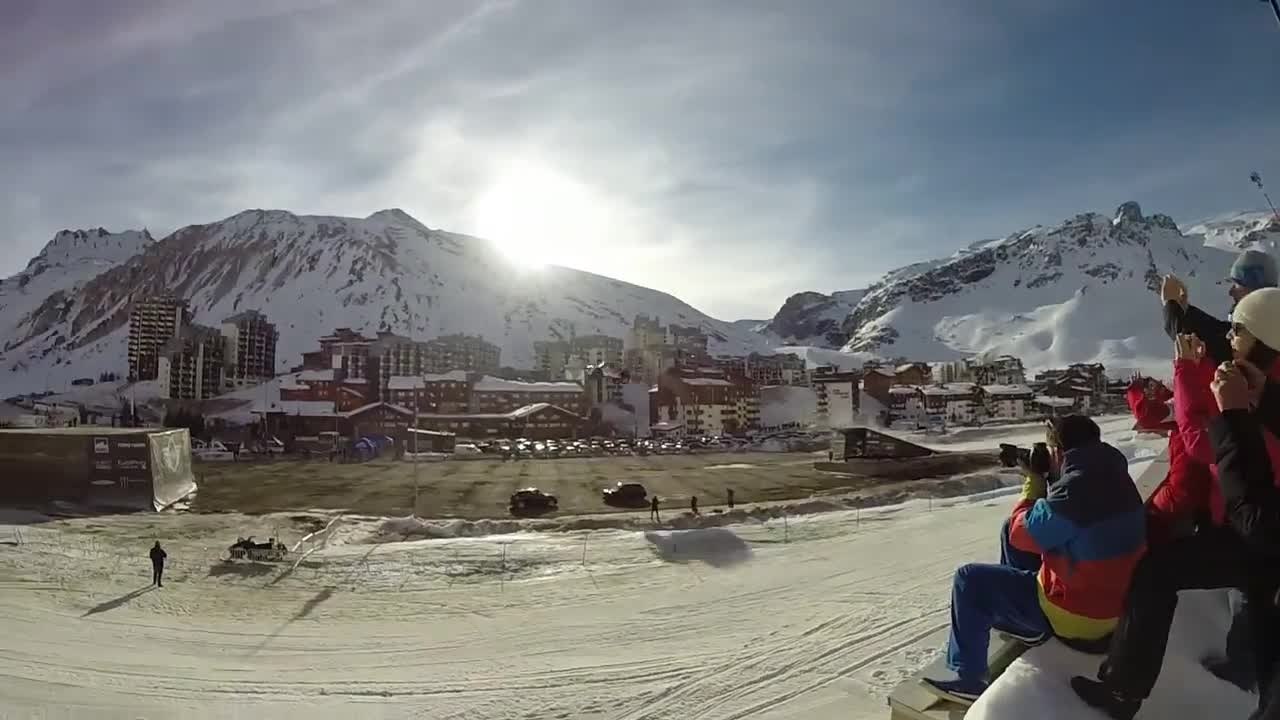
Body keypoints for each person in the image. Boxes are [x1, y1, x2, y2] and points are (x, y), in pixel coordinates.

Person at [1071, 287, 1280, 719]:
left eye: (1237, 330)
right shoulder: (1263, 380)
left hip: (1262, 539)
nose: (1229, 336)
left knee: (1157, 571)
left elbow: (1205, 447)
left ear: (1260, 339)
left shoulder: (1255, 395)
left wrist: (1187, 373)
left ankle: (1123, 693)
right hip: (1257, 534)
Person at [922, 416, 1146, 705]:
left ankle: (968, 678)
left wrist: (1034, 481)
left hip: (1080, 621)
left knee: (970, 580)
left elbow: (1021, 534)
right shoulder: (1114, 474)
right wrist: (1054, 477)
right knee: (1012, 529)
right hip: (1114, 608)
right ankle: (1028, 627)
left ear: (1059, 452)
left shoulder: (1075, 491)